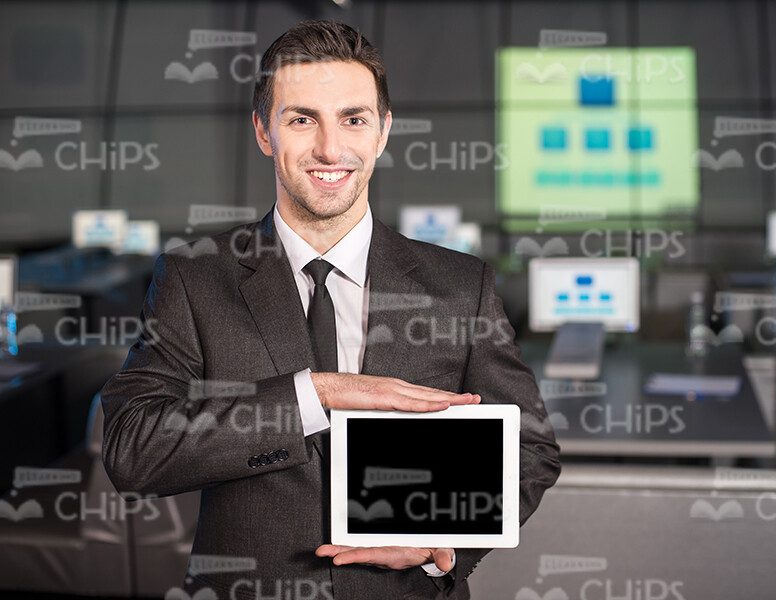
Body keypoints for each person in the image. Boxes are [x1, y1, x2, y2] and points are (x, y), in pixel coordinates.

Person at [101, 19, 560, 600]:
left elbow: (529, 449)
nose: (330, 148)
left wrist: (447, 547)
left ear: (383, 131)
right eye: (301, 119)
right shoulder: (195, 277)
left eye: (353, 119)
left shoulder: (460, 285)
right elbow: (132, 450)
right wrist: (314, 394)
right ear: (265, 132)